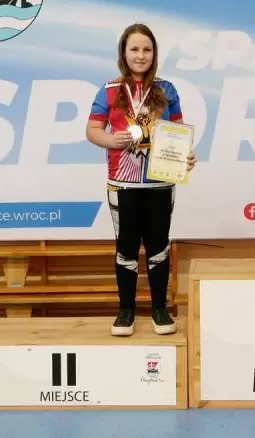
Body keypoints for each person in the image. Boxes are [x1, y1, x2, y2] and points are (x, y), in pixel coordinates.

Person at [86, 23, 196, 336]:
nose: (140, 55)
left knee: (159, 245)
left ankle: (160, 309)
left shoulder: (166, 89)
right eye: (134, 49)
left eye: (147, 49)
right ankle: (126, 311)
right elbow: (92, 130)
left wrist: (185, 156)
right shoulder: (109, 90)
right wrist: (112, 140)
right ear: (123, 52)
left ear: (154, 54)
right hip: (123, 183)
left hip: (161, 181)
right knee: (127, 247)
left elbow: (178, 131)